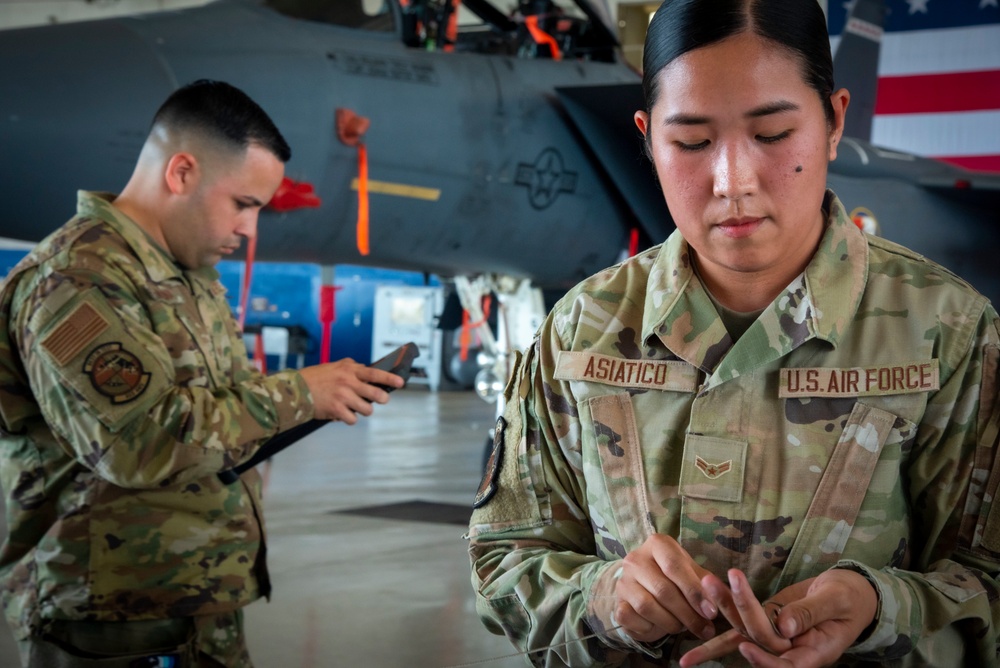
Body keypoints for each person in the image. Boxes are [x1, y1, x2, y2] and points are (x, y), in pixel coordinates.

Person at [467, 1, 1000, 666]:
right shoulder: (582, 330)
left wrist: (879, 610)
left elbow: (988, 583)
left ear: (834, 121)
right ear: (647, 136)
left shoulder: (948, 332)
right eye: (691, 142)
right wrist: (605, 599)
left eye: (773, 134)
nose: (733, 181)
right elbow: (505, 561)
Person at [0, 80, 404, 667]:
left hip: (194, 602)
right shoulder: (78, 280)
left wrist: (318, 398)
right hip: (107, 623)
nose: (249, 230)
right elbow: (137, 443)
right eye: (242, 204)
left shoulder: (187, 274)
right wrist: (301, 394)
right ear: (181, 172)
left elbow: (223, 415)